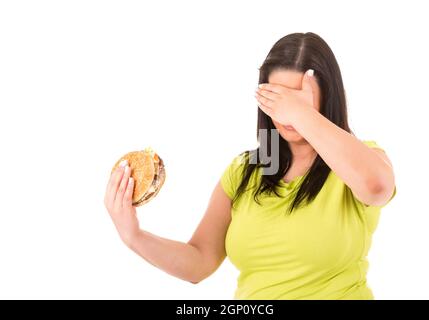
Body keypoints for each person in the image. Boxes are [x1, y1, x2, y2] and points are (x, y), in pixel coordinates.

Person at [104, 32, 396, 300]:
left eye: (296, 98)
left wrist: (301, 113)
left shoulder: (359, 160)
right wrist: (134, 236)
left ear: (328, 94)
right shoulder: (247, 170)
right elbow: (199, 261)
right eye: (276, 97)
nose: (284, 111)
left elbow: (377, 187)